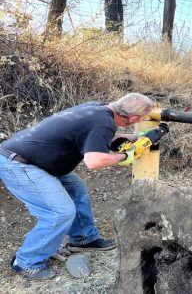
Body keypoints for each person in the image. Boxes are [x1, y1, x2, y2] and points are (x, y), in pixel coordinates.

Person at [0, 93, 155, 280]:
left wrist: (131, 138)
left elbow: (98, 133)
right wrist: (125, 156)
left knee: (76, 190)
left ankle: (83, 239)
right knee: (59, 212)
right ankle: (26, 262)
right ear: (133, 118)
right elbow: (94, 161)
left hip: (37, 159)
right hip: (20, 164)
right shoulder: (104, 123)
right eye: (143, 118)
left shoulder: (98, 108)